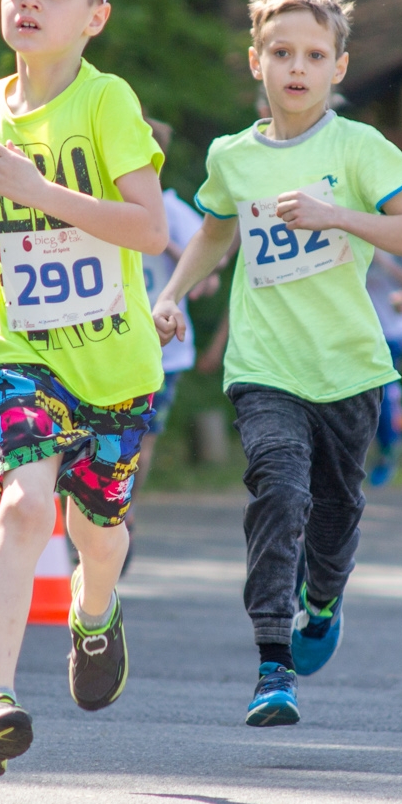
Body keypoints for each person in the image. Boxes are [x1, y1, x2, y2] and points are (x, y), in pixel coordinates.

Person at [151, 0, 402, 726]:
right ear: (257, 62)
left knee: (337, 516)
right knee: (279, 494)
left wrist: (336, 215)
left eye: (313, 55)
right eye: (281, 53)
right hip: (264, 363)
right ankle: (273, 662)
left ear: (338, 68)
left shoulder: (361, 147)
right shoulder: (231, 156)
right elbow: (215, 228)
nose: (297, 68)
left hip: (349, 366)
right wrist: (172, 293)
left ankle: (322, 596)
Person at [0, 0, 168, 775]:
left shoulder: (108, 103)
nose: (27, 1)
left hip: (117, 366)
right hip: (21, 348)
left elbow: (149, 226)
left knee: (97, 532)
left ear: (95, 17)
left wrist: (44, 191)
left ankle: (94, 616)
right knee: (25, 507)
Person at [132, 116, 221, 565]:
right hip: (108, 344)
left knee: (143, 440)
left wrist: (162, 238)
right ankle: (99, 514)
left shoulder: (175, 210)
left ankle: (123, 513)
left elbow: (208, 276)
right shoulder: (100, 203)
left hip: (165, 350)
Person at [364, 246, 402, 487]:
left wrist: (382, 259)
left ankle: (389, 449)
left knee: (385, 397)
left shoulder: (393, 243)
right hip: (361, 334)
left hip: (392, 335)